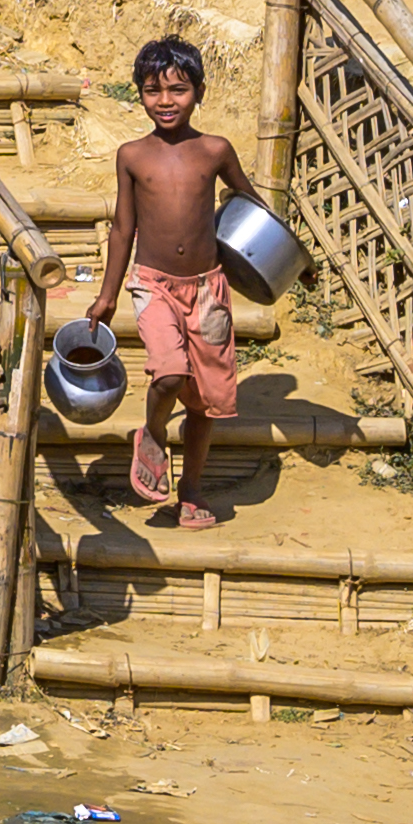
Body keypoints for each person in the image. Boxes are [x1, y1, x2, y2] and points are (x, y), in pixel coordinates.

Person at [83, 37, 264, 529]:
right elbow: (124, 228)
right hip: (154, 285)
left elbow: (252, 207)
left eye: (178, 90)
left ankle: (190, 490)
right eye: (152, 91)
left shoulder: (215, 150)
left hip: (208, 290)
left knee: (205, 401)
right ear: (138, 94)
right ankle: (155, 435)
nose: (165, 102)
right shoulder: (132, 156)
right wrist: (107, 295)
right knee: (167, 375)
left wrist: (292, 262)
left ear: (199, 92)